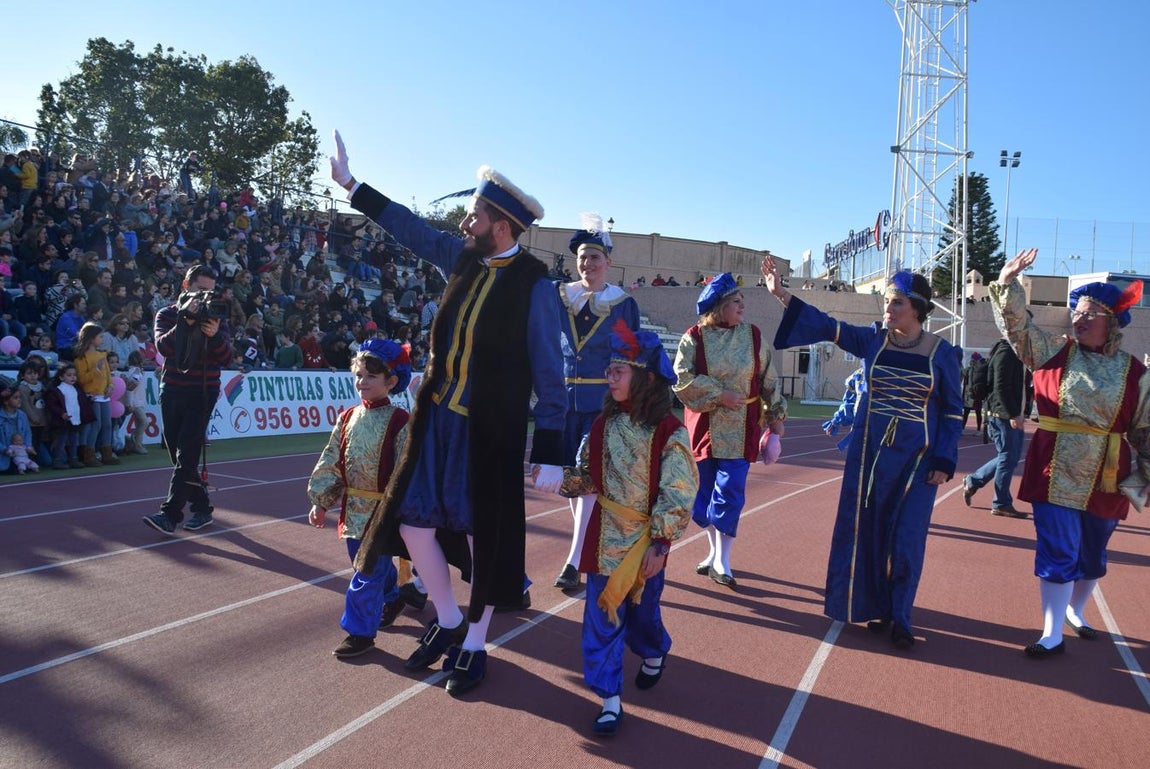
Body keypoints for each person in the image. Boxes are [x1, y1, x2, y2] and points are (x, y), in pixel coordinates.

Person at [330, 130, 566, 696]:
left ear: (501, 226)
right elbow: (410, 230)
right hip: (436, 422)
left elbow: (549, 370)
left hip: (491, 430)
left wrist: (553, 448)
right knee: (412, 525)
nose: (464, 225)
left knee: (486, 539)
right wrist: (352, 186)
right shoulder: (461, 259)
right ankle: (452, 622)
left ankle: (476, 645)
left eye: (474, 217)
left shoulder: (536, 287)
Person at [765, 256, 962, 649]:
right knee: (866, 534)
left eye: (896, 303)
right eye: (887, 302)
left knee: (906, 540)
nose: (887, 309)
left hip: (917, 462)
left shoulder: (942, 353)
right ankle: (875, 606)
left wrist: (943, 459)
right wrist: (783, 295)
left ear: (917, 308)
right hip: (870, 457)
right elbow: (826, 326)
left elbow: (953, 411)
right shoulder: (873, 339)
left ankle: (902, 617)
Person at [990, 248, 1150, 658]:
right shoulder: (1054, 352)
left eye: (1088, 313)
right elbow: (1017, 331)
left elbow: (1146, 429)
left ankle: (1076, 612)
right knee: (1057, 547)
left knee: (1093, 552)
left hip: (1109, 473)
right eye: (1075, 311)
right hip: (1054, 466)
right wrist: (1007, 282)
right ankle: (1051, 631)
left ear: (1111, 323)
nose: (1078, 318)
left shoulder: (1135, 372)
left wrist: (1145, 476)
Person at [554, 321, 697, 736]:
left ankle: (654, 652)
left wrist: (661, 542)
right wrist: (556, 478)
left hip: (644, 544)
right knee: (602, 618)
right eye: (610, 369)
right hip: (603, 542)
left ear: (646, 378)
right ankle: (610, 700)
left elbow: (679, 490)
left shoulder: (669, 431)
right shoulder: (601, 425)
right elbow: (585, 477)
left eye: (619, 370)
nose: (609, 376)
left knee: (643, 616)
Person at [672, 272, 787, 588]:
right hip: (704, 427)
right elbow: (681, 379)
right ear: (719, 306)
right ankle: (712, 552)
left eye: (742, 301)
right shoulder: (693, 337)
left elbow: (769, 379)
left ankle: (723, 560)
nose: (742, 306)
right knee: (702, 495)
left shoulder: (753, 336)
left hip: (742, 427)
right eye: (736, 301)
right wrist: (720, 395)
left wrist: (775, 419)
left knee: (731, 491)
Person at [552, 214, 641, 592]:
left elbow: (630, 353)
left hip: (601, 402)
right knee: (571, 481)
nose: (588, 265)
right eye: (583, 258)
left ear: (608, 261)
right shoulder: (559, 295)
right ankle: (583, 546)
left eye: (595, 258)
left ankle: (573, 561)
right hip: (562, 403)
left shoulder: (622, 304)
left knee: (587, 479)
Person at [307, 339, 412, 658]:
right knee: (369, 566)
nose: (362, 383)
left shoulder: (400, 421)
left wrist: (403, 510)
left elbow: (407, 468)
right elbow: (331, 460)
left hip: (383, 511)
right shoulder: (347, 417)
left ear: (391, 381)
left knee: (365, 572)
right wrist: (321, 499)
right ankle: (393, 596)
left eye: (370, 377)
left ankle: (359, 632)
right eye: (359, 375)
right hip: (353, 510)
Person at [142, 265, 233, 537]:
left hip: (203, 391)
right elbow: (164, 349)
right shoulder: (167, 314)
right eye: (200, 290)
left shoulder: (218, 317)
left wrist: (213, 335)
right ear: (186, 285)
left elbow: (227, 358)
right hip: (172, 388)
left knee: (188, 453)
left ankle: (170, 514)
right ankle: (202, 508)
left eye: (209, 291)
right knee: (178, 455)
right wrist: (186, 321)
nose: (204, 297)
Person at [962, 338, 1030, 518]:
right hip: (1003, 416)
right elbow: (1000, 387)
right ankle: (1001, 503)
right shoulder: (1006, 352)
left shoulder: (1017, 351)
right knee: (1008, 457)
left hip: (1011, 413)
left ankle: (973, 481)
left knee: (1009, 457)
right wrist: (1013, 413)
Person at [74, 322, 119, 466]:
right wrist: (96, 370)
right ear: (91, 338)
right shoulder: (81, 358)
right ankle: (89, 455)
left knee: (107, 424)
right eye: (99, 336)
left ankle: (107, 453)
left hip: (103, 396)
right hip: (91, 396)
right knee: (96, 425)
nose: (102, 339)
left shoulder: (102, 354)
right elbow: (82, 379)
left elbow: (108, 375)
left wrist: (110, 385)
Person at [45, 363, 92, 469]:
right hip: (63, 420)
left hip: (75, 418)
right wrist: (62, 413)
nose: (73, 377)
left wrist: (89, 401)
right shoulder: (57, 390)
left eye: (74, 375)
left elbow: (81, 402)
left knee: (74, 440)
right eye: (69, 375)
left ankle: (73, 459)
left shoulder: (77, 388)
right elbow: (53, 405)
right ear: (61, 377)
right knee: (61, 440)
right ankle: (57, 460)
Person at [822, 366, 865, 453]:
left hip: (891, 430)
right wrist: (836, 420)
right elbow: (850, 401)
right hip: (860, 428)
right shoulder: (859, 375)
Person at [0, 385, 34, 474]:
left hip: (20, 452)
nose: (19, 400)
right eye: (15, 398)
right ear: (6, 401)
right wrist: (4, 450)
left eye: (19, 397)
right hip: (5, 453)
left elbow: (27, 433)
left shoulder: (22, 415)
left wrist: (28, 446)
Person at [122, 351, 149, 455]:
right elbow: (130, 389)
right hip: (136, 403)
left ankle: (138, 444)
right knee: (144, 422)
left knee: (139, 423)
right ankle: (134, 437)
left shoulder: (138, 371)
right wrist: (129, 404)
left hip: (139, 401)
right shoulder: (136, 372)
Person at [962, 351, 988, 438]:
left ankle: (963, 429)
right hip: (977, 394)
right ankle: (978, 430)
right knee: (978, 413)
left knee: (966, 412)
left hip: (968, 394)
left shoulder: (969, 369)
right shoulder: (981, 369)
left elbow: (963, 375)